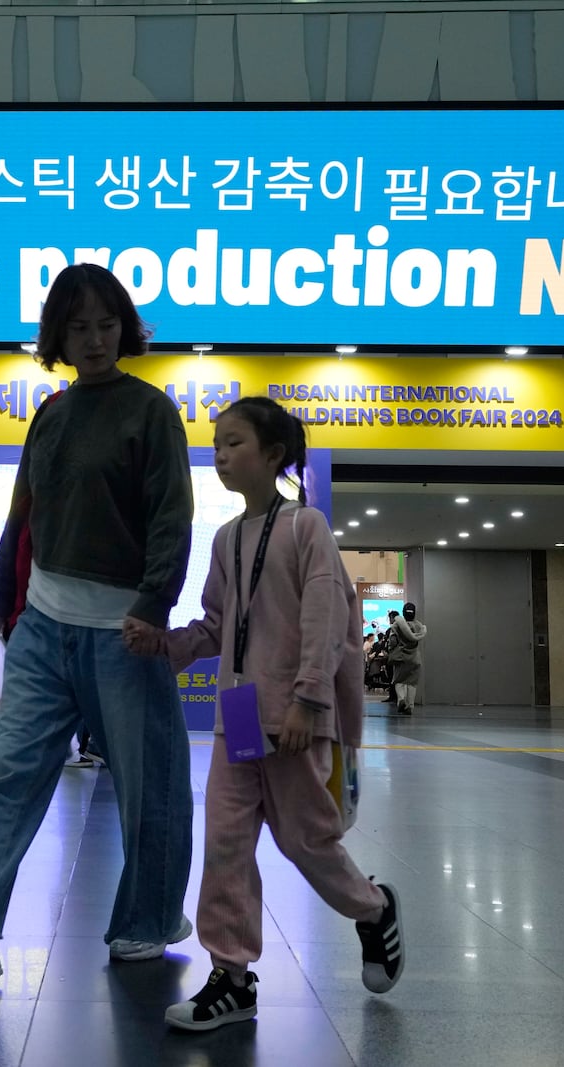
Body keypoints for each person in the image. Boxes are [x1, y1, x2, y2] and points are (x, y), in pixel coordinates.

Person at [0, 263, 194, 979]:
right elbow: (25, 514)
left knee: (151, 781)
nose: (94, 340)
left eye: (107, 325)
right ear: (56, 334)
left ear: (127, 328)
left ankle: (147, 918)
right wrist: (2, 596)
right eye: (78, 327)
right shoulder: (51, 413)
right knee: (9, 769)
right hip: (44, 625)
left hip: (125, 630)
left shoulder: (150, 411)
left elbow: (170, 521)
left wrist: (153, 606)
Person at [162, 397, 401, 1031]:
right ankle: (232, 977)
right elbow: (217, 623)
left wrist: (308, 698)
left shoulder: (306, 528)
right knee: (226, 839)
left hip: (293, 712)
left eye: (234, 443)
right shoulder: (226, 537)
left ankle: (373, 909)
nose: (220, 455)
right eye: (216, 444)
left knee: (305, 841)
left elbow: (326, 620)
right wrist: (169, 647)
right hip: (238, 711)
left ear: (273, 456)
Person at [386, 604, 427, 714]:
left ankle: (401, 700)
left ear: (403, 612)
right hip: (414, 657)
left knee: (399, 680)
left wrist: (390, 649)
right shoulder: (420, 627)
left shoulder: (397, 624)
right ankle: (410, 705)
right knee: (412, 682)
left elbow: (393, 641)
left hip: (401, 656)